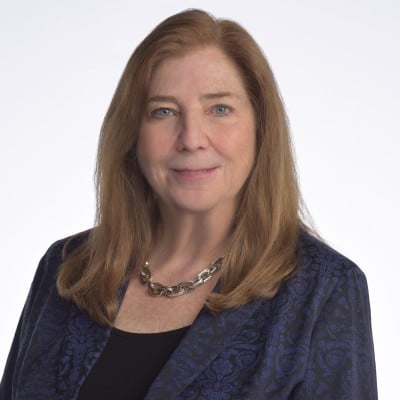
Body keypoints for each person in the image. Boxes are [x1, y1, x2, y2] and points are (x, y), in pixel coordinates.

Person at [0, 8, 377, 400]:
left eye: (220, 109)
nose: (191, 138)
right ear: (132, 133)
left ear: (261, 127)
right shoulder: (67, 270)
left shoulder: (324, 291)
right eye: (163, 111)